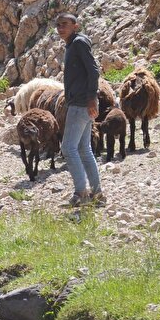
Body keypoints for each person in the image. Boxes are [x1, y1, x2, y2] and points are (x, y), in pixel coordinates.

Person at [55, 12, 103, 206]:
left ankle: (81, 193)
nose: (60, 28)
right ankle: (97, 194)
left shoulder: (78, 43)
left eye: (64, 24)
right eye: (58, 25)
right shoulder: (72, 44)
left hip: (81, 103)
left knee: (68, 148)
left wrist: (91, 98)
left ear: (75, 26)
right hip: (81, 102)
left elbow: (94, 71)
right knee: (84, 148)